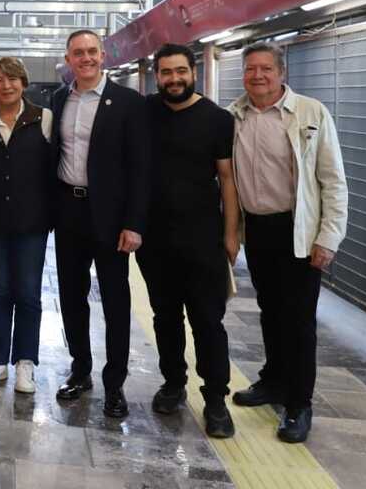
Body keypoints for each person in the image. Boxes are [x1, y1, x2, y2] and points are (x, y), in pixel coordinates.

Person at [228, 42, 347, 444]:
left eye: (265, 69)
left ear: (282, 73)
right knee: (270, 311)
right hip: (258, 230)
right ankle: (274, 381)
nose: (257, 76)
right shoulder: (234, 115)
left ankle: (299, 402)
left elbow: (333, 180)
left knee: (299, 321)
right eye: (250, 69)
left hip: (298, 230)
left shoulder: (310, 113)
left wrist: (328, 238)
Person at [138, 43, 237, 438]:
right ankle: (174, 383)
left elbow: (227, 179)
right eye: (166, 72)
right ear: (156, 75)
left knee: (208, 322)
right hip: (156, 241)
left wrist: (231, 233)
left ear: (192, 71)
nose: (174, 79)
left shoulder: (216, 119)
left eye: (180, 71)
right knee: (165, 317)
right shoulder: (145, 113)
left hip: (203, 238)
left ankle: (216, 400)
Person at [50, 29, 148, 418]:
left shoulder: (127, 102)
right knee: (71, 297)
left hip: (110, 218)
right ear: (68, 58)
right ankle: (80, 370)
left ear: (102, 55)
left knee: (115, 300)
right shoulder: (59, 99)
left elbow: (141, 169)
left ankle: (115, 382)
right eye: (78, 53)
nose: (86, 58)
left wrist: (134, 223)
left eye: (92, 51)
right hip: (68, 212)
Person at [0, 56, 54, 395]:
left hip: (32, 221)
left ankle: (25, 364)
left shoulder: (42, 118)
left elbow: (52, 165)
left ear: (24, 83)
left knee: (29, 294)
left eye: (13, 79)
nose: (7, 85)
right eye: (0, 80)